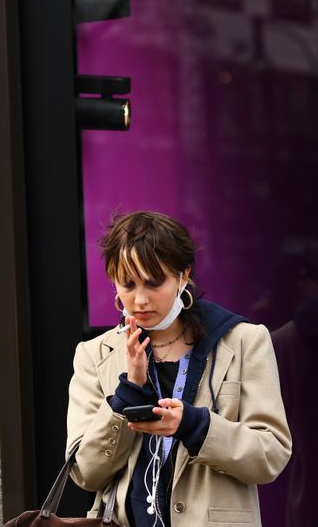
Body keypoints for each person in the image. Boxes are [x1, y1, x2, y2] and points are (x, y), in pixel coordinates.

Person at [66, 210, 292, 526]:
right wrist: (128, 391)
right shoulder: (95, 354)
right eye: (127, 284)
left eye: (154, 281)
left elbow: (271, 455)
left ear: (183, 275)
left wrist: (195, 425)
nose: (140, 299)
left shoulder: (243, 341)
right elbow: (85, 472)